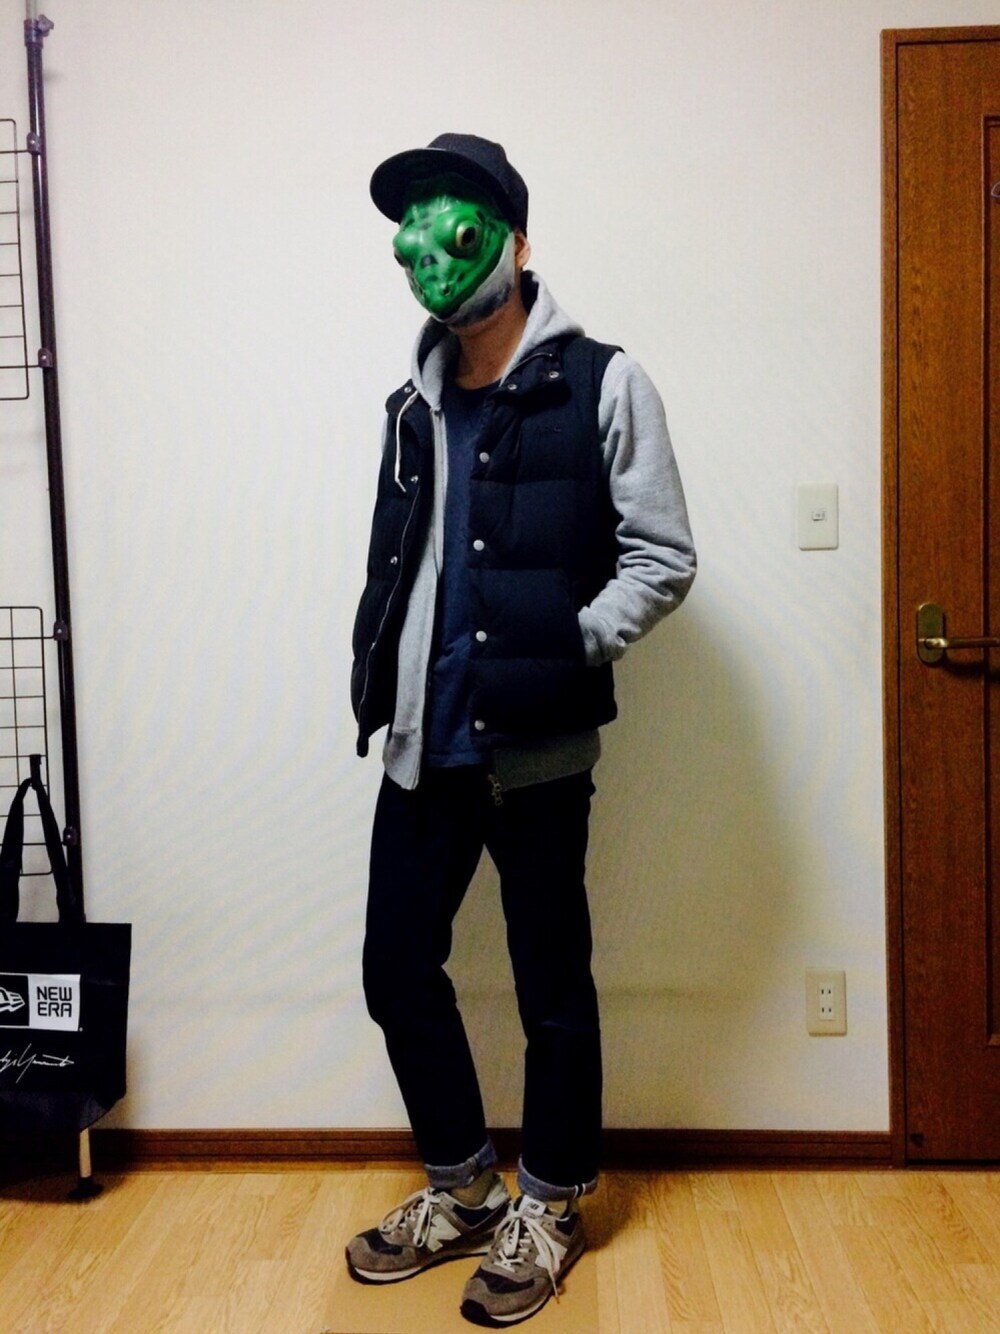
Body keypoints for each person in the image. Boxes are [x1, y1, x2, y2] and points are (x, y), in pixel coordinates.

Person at [346, 133, 696, 1327]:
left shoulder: (604, 380)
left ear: (515, 241)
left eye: (457, 225)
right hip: (421, 741)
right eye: (412, 234)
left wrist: (564, 646)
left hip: (535, 746)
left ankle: (549, 1202)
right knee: (396, 969)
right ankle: (462, 1188)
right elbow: (404, 565)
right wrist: (378, 677)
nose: (431, 254)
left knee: (552, 984)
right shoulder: (411, 403)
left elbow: (662, 556)